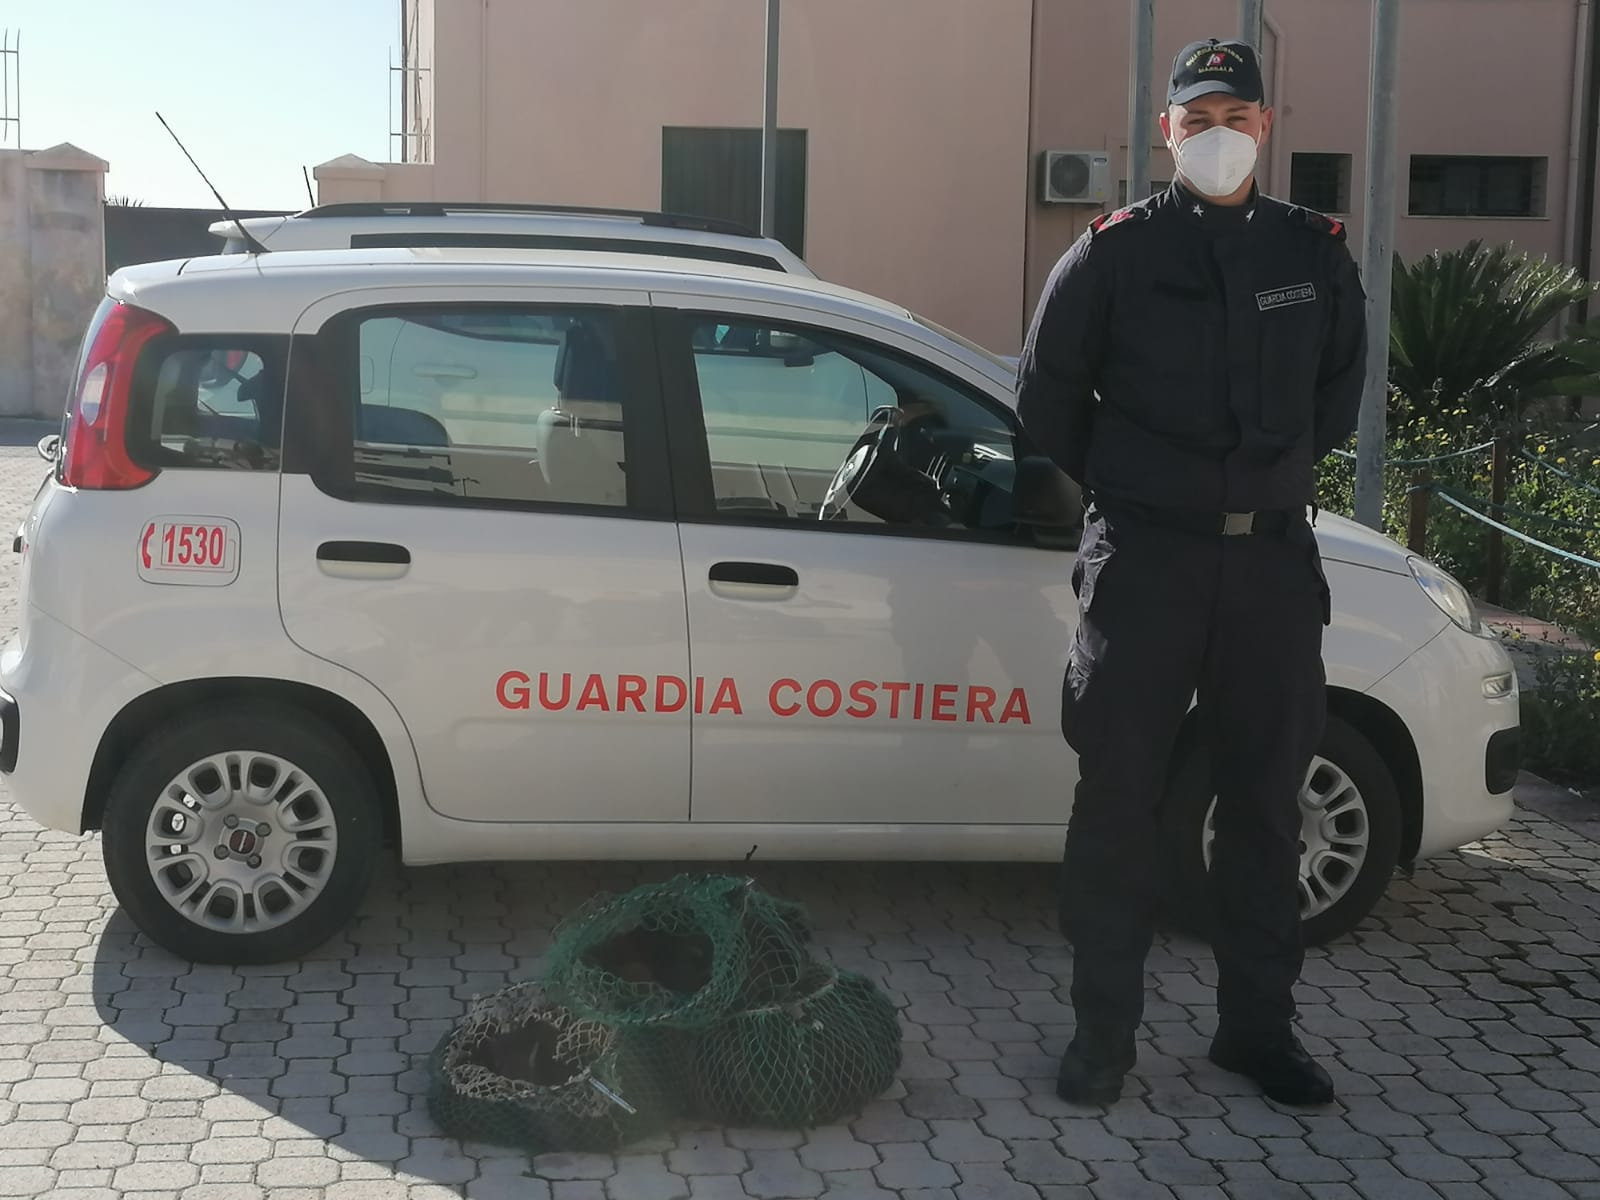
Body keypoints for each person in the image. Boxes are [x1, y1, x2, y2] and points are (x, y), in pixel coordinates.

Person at [1015, 37, 1368, 1108]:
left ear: (1268, 127)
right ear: (1166, 131)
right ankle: (1101, 1041)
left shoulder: (1313, 256)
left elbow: (1335, 401)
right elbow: (1046, 402)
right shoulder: (1109, 254)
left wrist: (1250, 486)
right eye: (1198, 118)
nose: (1220, 135)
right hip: (1148, 563)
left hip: (1267, 566)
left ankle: (1257, 1033)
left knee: (1266, 808)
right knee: (1117, 803)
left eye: (1239, 117)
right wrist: (1144, 489)